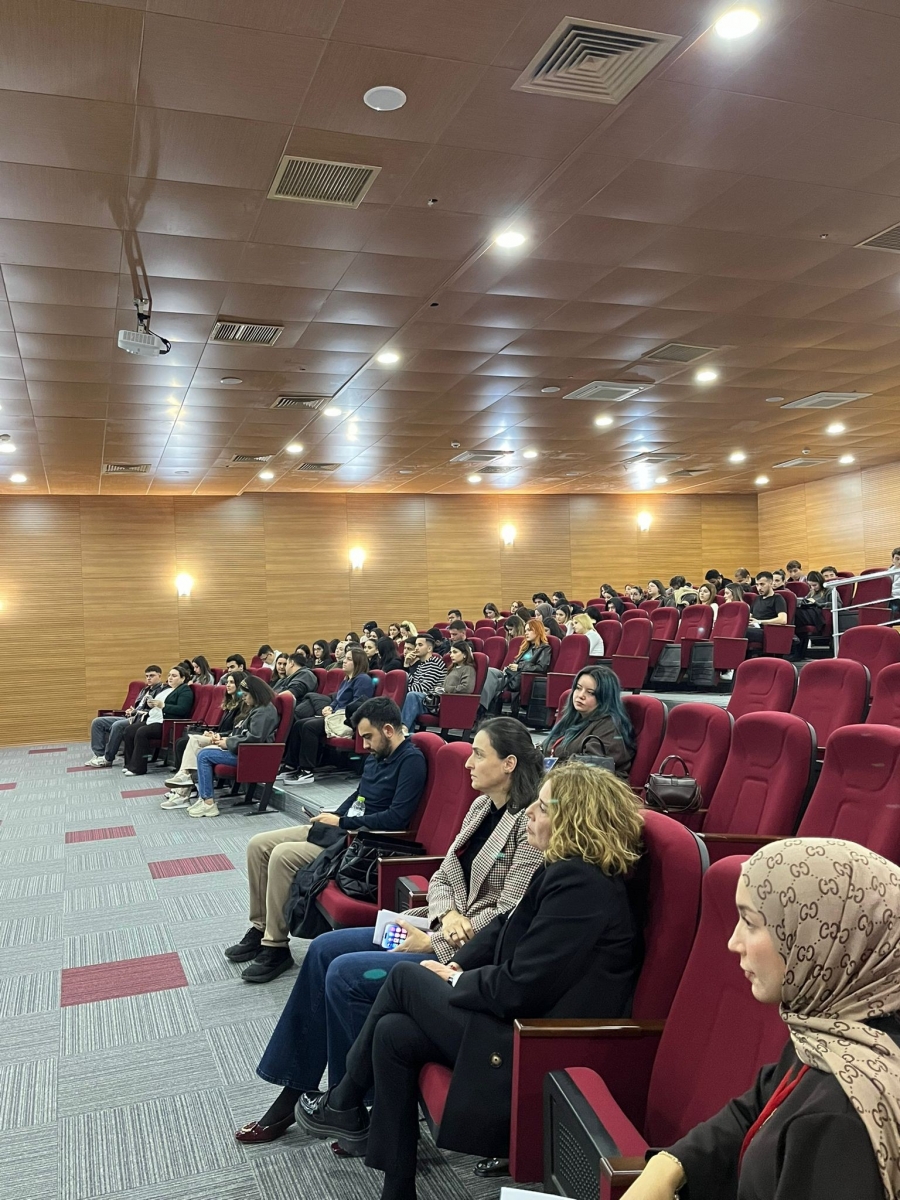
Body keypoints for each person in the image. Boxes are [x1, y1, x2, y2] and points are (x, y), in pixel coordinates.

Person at [296, 761, 644, 1200]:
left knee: (404, 978)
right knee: (393, 1033)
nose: (530, 812)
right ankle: (396, 1186)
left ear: (573, 818)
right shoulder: (564, 868)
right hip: (516, 1019)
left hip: (536, 1040)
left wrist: (457, 982)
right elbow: (503, 929)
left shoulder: (583, 884)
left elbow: (521, 987)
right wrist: (459, 966)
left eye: (542, 806)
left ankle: (344, 1100)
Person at [235, 717, 546, 1144]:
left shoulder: (529, 825)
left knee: (345, 974)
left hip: (463, 954)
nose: (468, 763)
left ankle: (357, 1106)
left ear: (509, 763)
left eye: (478, 754)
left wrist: (437, 938)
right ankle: (295, 1088)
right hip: (439, 927)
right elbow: (443, 875)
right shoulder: (480, 808)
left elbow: (508, 914)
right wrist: (445, 917)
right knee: (323, 950)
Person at [620, 838, 900, 1200]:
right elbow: (756, 1105)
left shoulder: (838, 1120)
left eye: (750, 923)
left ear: (816, 938)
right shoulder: (832, 1031)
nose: (733, 942)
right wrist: (670, 1164)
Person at [226, 698, 427, 983]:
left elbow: (396, 818)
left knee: (282, 856)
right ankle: (260, 929)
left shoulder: (411, 761)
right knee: (258, 845)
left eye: (368, 737)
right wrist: (334, 815)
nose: (365, 745)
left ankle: (276, 946)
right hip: (344, 830)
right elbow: (359, 794)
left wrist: (342, 823)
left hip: (363, 843)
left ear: (388, 730)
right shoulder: (377, 755)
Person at [279, 646, 375, 784]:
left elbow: (358, 705)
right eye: (345, 658)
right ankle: (291, 765)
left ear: (358, 662)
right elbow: (337, 700)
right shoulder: (346, 679)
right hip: (335, 717)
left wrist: (334, 711)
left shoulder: (363, 679)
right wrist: (330, 707)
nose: (344, 661)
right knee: (299, 723)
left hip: (346, 720)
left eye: (349, 659)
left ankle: (307, 771)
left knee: (309, 727)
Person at [187, 673, 278, 817]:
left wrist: (227, 743)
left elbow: (254, 739)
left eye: (245, 694)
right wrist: (224, 738)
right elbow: (243, 732)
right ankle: (203, 797)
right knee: (203, 750)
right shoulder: (258, 708)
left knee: (204, 755)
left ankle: (208, 803)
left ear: (255, 693)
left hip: (252, 755)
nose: (243, 698)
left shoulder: (264, 712)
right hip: (244, 751)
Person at [161, 670, 246, 808]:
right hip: (222, 737)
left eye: (232, 682)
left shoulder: (243, 706)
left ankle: (184, 787)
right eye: (227, 682)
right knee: (184, 742)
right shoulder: (230, 704)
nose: (228, 685)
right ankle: (184, 785)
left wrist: (219, 735)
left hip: (229, 742)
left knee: (190, 743)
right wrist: (213, 733)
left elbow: (237, 731)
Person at [543, 665, 634, 778]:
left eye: (590, 692)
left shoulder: (609, 726)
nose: (581, 695)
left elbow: (590, 769)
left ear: (605, 697)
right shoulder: (573, 717)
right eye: (578, 688)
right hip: (560, 780)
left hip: (590, 786)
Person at [120, 665, 193, 776]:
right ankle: (129, 764)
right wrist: (152, 704)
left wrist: (163, 706)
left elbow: (182, 709)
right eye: (169, 675)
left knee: (142, 732)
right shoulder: (168, 689)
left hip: (167, 723)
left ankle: (138, 768)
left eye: (174, 676)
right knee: (129, 730)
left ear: (183, 678)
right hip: (154, 719)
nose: (170, 678)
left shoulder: (185, 690)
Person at [86, 665, 164, 768]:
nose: (148, 678)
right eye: (147, 676)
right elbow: (139, 706)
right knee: (97, 722)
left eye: (152, 676)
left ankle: (108, 759)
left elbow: (154, 711)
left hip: (141, 720)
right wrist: (131, 711)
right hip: (132, 716)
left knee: (118, 725)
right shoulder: (145, 690)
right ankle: (99, 755)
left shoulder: (162, 691)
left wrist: (135, 712)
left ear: (159, 676)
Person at [503, 618, 550, 719]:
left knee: (492, 679)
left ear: (537, 630)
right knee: (490, 673)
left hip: (522, 677)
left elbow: (541, 667)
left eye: (529, 630)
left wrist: (519, 667)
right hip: (512, 675)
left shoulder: (544, 648)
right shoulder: (526, 647)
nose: (526, 633)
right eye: (525, 631)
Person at [400, 635, 447, 730]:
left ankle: (403, 728)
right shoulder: (422, 665)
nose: (416, 648)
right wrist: (406, 665)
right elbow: (411, 683)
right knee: (405, 696)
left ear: (429, 648)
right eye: (416, 645)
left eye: (420, 645)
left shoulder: (435, 663)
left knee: (411, 695)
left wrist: (402, 691)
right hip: (421, 700)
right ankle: (406, 734)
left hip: (431, 702)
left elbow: (422, 688)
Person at [791, 570, 838, 660]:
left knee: (796, 614)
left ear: (820, 582)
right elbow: (806, 600)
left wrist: (817, 603)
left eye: (815, 585)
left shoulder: (830, 590)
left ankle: (792, 635)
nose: (813, 588)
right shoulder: (811, 592)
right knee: (794, 611)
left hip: (818, 616)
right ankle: (794, 639)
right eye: (810, 585)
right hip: (809, 613)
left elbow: (837, 604)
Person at [423, 641, 476, 717]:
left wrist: (446, 689)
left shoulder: (468, 669)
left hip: (452, 703)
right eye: (451, 652)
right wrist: (438, 688)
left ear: (464, 654)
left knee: (414, 696)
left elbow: (467, 688)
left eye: (455, 652)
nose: (451, 655)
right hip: (440, 699)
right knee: (416, 697)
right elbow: (443, 683)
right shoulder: (453, 668)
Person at [746, 572, 787, 649]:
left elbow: (783, 620)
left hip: (767, 631)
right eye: (757, 585)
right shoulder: (756, 598)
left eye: (762, 584)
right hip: (754, 628)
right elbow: (750, 616)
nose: (759, 588)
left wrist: (759, 622)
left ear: (771, 584)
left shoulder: (778, 598)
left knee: (742, 631)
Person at [889, 546, 900, 618]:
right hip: (893, 598)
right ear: (893, 560)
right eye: (897, 559)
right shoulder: (890, 571)